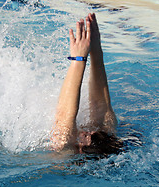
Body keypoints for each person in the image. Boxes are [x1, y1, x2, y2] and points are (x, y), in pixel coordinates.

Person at [51, 13, 122, 155]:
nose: (87, 132)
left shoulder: (65, 153)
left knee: (64, 137)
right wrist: (95, 48)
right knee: (107, 123)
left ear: (80, 150)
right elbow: (101, 105)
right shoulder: (101, 141)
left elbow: (63, 115)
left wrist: (78, 58)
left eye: (86, 137)